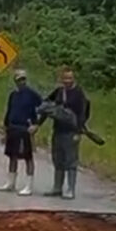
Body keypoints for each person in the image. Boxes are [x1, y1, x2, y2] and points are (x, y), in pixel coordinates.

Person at [37, 66, 89, 199]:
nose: (67, 81)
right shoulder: (59, 92)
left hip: (71, 132)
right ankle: (57, 188)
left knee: (71, 161)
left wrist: (79, 132)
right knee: (57, 159)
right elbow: (46, 107)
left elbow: (83, 113)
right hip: (58, 130)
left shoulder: (79, 93)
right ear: (61, 79)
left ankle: (71, 189)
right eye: (65, 78)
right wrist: (38, 124)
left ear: (74, 78)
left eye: (70, 78)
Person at [0, 69, 42, 195]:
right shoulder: (13, 95)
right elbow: (9, 111)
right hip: (13, 127)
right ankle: (11, 183)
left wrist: (36, 124)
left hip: (25, 128)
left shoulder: (32, 94)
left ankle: (29, 186)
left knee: (28, 157)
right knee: (12, 156)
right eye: (19, 80)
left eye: (23, 79)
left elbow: (43, 108)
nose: (21, 82)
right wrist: (5, 129)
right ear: (15, 81)